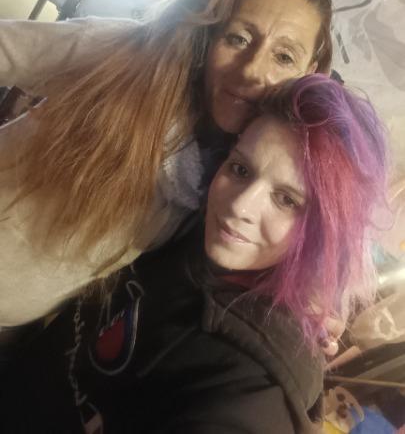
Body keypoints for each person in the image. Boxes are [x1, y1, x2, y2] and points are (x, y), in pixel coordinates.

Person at [0, 76, 387, 433]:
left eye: (286, 200)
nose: (239, 206)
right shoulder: (192, 226)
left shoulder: (253, 384)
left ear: (323, 233)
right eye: (241, 169)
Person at [0, 0, 333, 332]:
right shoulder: (127, 59)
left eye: (284, 57)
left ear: (308, 72)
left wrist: (310, 310)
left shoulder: (241, 181)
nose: (252, 69)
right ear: (212, 35)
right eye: (238, 39)